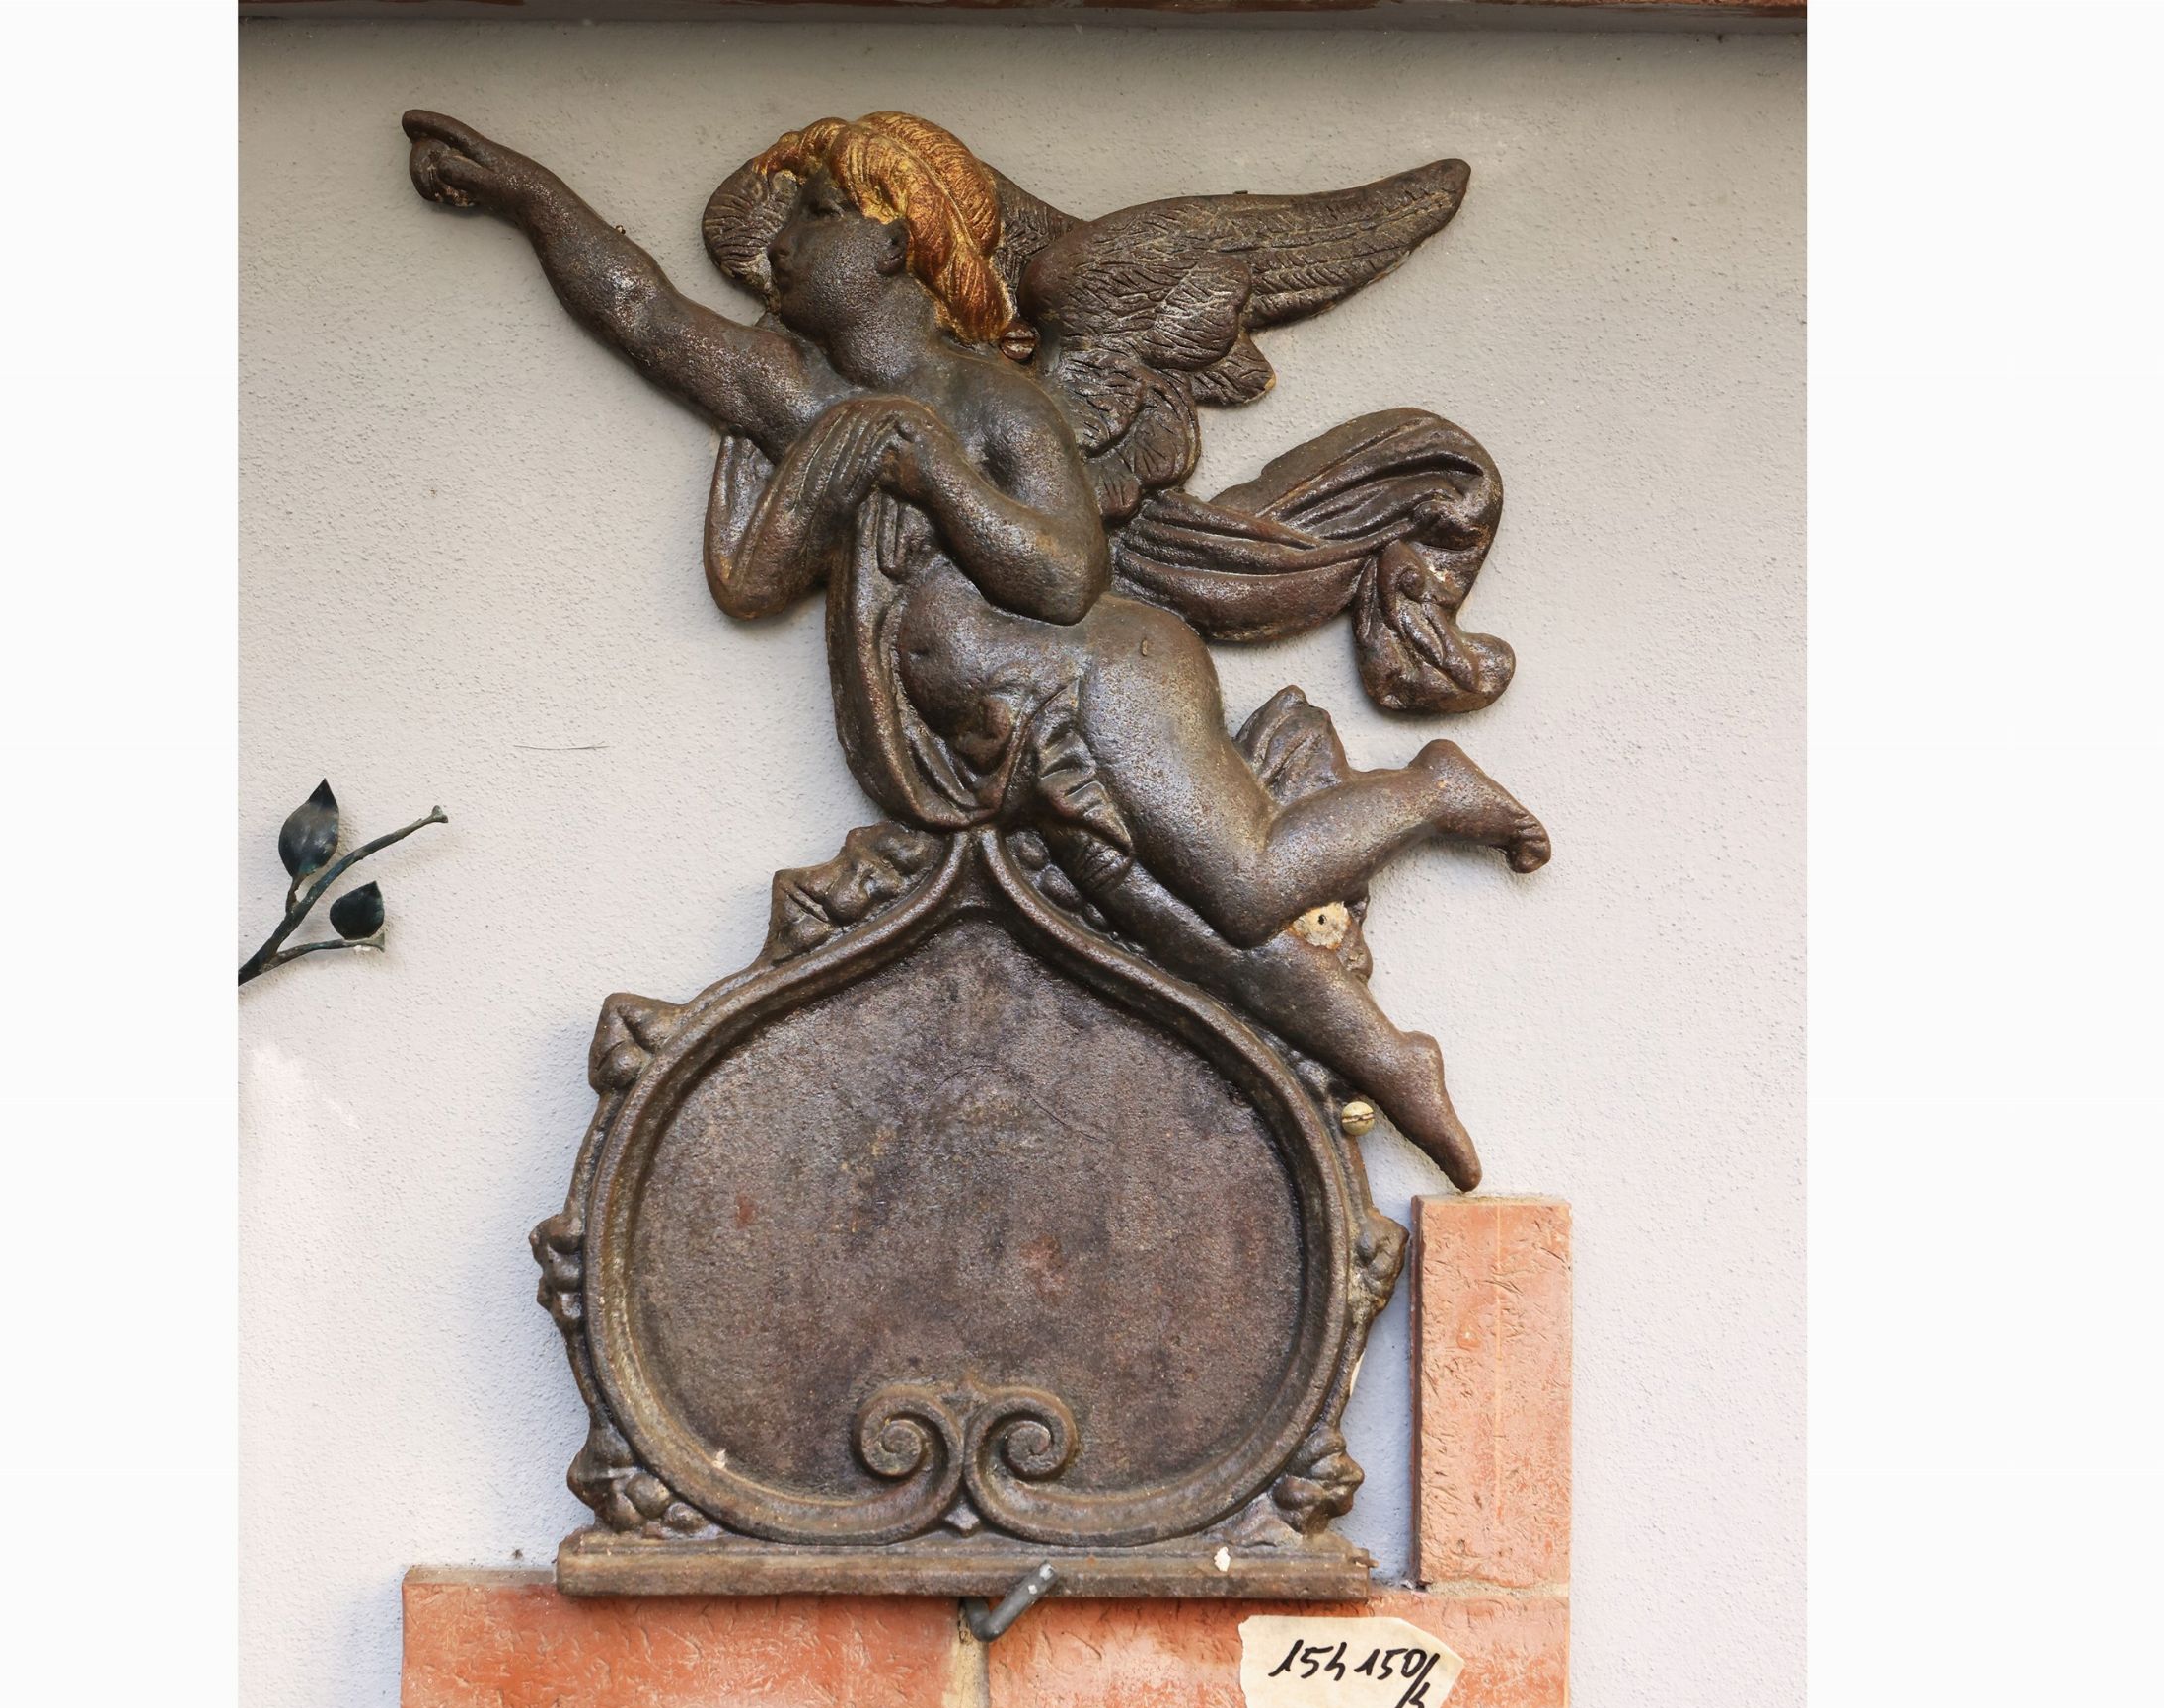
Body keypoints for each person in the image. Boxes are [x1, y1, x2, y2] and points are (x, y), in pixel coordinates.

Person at [404, 108, 1548, 1189]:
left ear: (891, 239)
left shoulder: (996, 405)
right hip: (1005, 738)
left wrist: (936, 473)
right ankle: (1391, 1060)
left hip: (1101, 681)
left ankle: (1430, 792)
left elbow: (1065, 575)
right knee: (1174, 926)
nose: (780, 247)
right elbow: (641, 310)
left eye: (815, 217)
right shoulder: (791, 390)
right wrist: (527, 195)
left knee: (1244, 889)